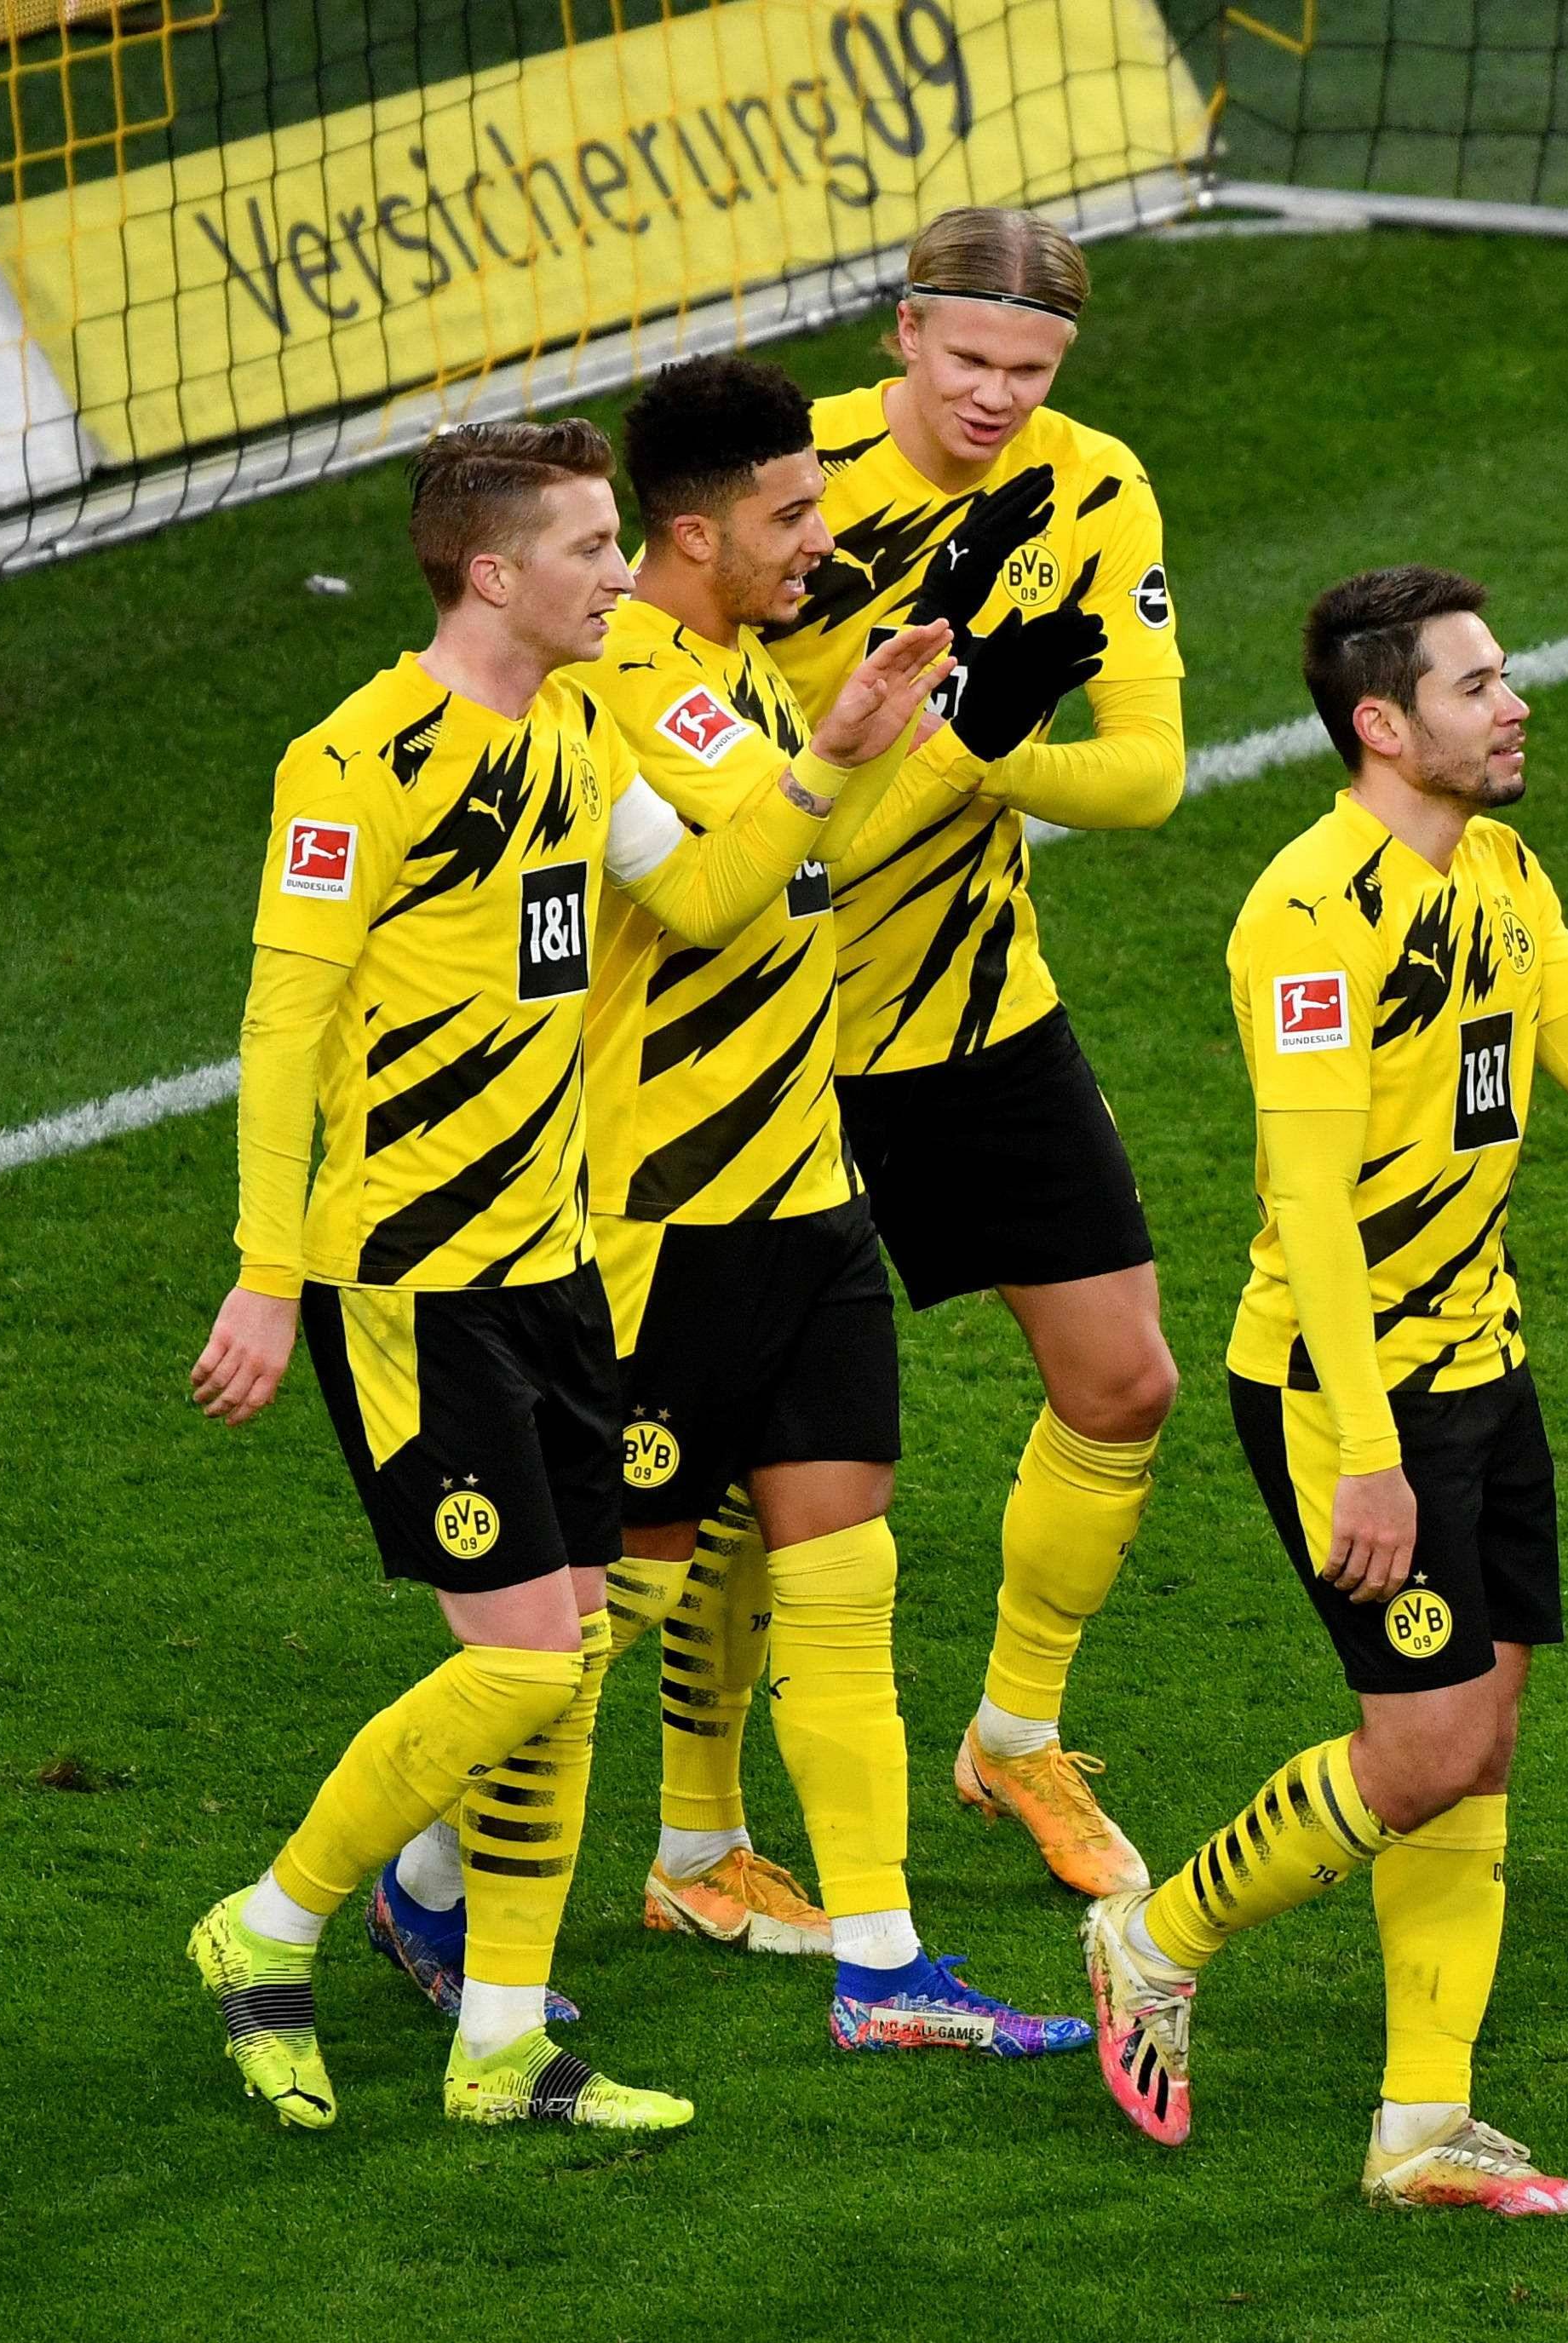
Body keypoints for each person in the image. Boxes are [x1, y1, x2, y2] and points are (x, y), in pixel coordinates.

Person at [181, 416, 950, 2130]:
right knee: (529, 1663)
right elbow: (283, 1025)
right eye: (594, 548)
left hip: (563, 1267)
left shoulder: (580, 735)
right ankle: (270, 1922)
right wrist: (267, 1271)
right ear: (491, 574)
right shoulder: (355, 761)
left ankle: (503, 2045)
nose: (623, 574)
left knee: (576, 1648)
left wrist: (830, 758)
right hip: (415, 1277)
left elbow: (713, 896)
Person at [362, 357, 1085, 2055]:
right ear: (693, 535)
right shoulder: (626, 676)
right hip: (663, 1210)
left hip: (804, 1188)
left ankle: (886, 1970)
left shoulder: (744, 668)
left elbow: (816, 854)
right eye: (793, 515)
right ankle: (422, 1872)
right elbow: (725, 887)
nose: (824, 538)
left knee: (844, 1574)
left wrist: (960, 727)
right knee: (603, 1608)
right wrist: (865, 744)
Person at [1080, 568, 1568, 2212]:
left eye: (1506, 672)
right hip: (1344, 1390)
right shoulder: (1308, 919)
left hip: (1486, 1364)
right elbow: (1314, 1207)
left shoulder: (1503, 869)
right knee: (1418, 1755)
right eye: (1478, 685)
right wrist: (1367, 1452)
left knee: (1480, 1744)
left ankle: (1423, 2126)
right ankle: (1155, 1937)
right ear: (1383, 725)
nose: (1517, 703)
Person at [762, 206, 1186, 1901]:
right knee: (739, 1459)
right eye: (974, 360)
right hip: (768, 1023)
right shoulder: (789, 485)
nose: (1003, 396)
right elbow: (713, 766)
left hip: (978, 1006)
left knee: (1124, 1379)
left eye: (1035, 368)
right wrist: (949, 740)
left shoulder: (1093, 486)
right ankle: (701, 1836)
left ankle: (1015, 1734)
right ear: (903, 332)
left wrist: (988, 747)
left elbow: (1148, 771)